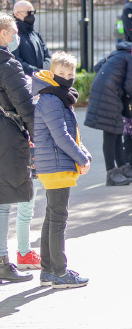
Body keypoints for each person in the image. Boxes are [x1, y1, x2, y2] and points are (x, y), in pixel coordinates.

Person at [31, 52, 92, 289]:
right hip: (56, 164)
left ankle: (48, 271)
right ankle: (59, 271)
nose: (67, 78)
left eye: (71, 74)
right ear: (52, 73)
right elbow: (61, 136)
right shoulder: (51, 98)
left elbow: (70, 131)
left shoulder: (57, 96)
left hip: (55, 163)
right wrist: (80, 158)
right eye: (62, 74)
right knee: (58, 219)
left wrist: (84, 152)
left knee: (52, 216)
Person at [0, 12, 35, 284]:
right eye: (13, 33)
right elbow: (24, 105)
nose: (16, 38)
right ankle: (2, 261)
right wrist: (38, 135)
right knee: (4, 203)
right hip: (7, 138)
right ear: (2, 33)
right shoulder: (7, 64)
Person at [84, 41, 132, 186]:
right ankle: (111, 174)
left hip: (106, 91)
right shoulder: (131, 57)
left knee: (116, 131)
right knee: (110, 134)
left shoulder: (119, 53)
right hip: (110, 94)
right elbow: (131, 86)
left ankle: (122, 168)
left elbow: (97, 67)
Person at [11, 0, 51, 75]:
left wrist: (43, 71)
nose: (32, 15)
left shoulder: (36, 35)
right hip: (24, 81)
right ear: (17, 14)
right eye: (29, 12)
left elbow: (48, 56)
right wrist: (35, 72)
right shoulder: (13, 35)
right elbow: (15, 60)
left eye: (33, 12)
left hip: (42, 80)